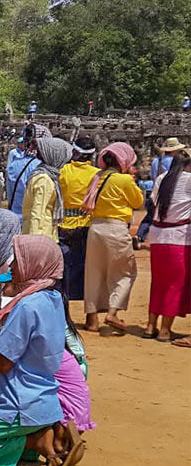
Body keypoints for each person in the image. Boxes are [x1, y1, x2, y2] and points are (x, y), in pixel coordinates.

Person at [0, 236, 67, 466]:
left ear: (34, 264)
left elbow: (3, 362)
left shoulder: (28, 306)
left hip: (17, 405)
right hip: (43, 401)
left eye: (18, 260)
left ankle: (30, 442)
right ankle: (37, 437)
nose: (14, 267)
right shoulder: (53, 298)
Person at [83, 142, 145, 333]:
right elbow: (138, 202)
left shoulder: (96, 177)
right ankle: (112, 312)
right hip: (116, 229)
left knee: (93, 274)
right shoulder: (123, 180)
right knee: (125, 273)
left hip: (96, 229)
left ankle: (92, 320)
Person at [144, 151, 191, 343]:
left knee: (159, 281)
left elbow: (152, 204)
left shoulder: (162, 178)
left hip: (158, 237)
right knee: (175, 285)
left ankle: (150, 326)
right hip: (179, 238)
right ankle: (165, 330)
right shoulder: (189, 180)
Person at [58, 136, 98, 316]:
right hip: (87, 225)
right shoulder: (97, 174)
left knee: (64, 267)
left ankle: (63, 309)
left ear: (75, 152)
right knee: (87, 268)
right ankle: (91, 315)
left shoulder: (64, 170)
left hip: (64, 224)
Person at [23, 137, 71, 242]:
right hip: (41, 237)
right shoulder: (44, 179)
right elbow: (38, 213)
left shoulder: (46, 175)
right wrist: (34, 243)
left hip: (44, 234)